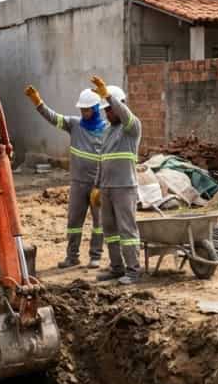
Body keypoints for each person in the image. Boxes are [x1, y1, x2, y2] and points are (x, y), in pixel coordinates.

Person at [24, 84, 106, 268]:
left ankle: (96, 256)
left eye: (87, 110)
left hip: (97, 185)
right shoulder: (74, 124)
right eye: (82, 109)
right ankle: (72, 256)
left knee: (99, 223)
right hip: (78, 183)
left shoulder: (106, 129)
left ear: (94, 109)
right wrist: (39, 103)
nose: (83, 112)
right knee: (74, 221)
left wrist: (101, 186)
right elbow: (54, 118)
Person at [90, 77, 142, 285]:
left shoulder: (131, 128)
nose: (107, 113)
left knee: (127, 230)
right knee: (110, 230)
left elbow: (125, 115)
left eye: (109, 109)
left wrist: (109, 96)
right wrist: (96, 185)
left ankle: (133, 271)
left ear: (119, 105)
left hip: (124, 187)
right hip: (107, 188)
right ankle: (116, 268)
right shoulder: (108, 131)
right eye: (105, 110)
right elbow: (102, 160)